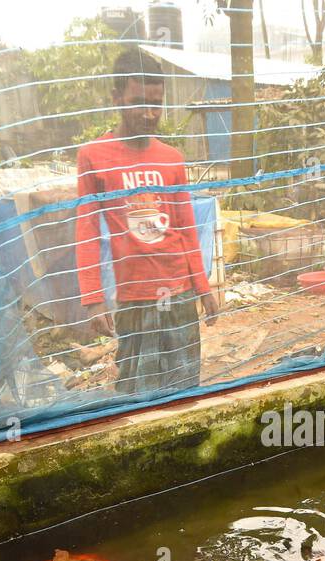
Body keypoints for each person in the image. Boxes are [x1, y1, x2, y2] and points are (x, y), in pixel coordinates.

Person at [75, 46, 219, 396]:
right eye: (140, 102)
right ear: (116, 97)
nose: (150, 113)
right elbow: (87, 229)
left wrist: (203, 287)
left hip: (179, 292)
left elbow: (185, 228)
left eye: (157, 103)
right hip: (134, 296)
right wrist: (93, 297)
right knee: (135, 389)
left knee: (184, 383)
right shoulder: (94, 157)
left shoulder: (171, 159)